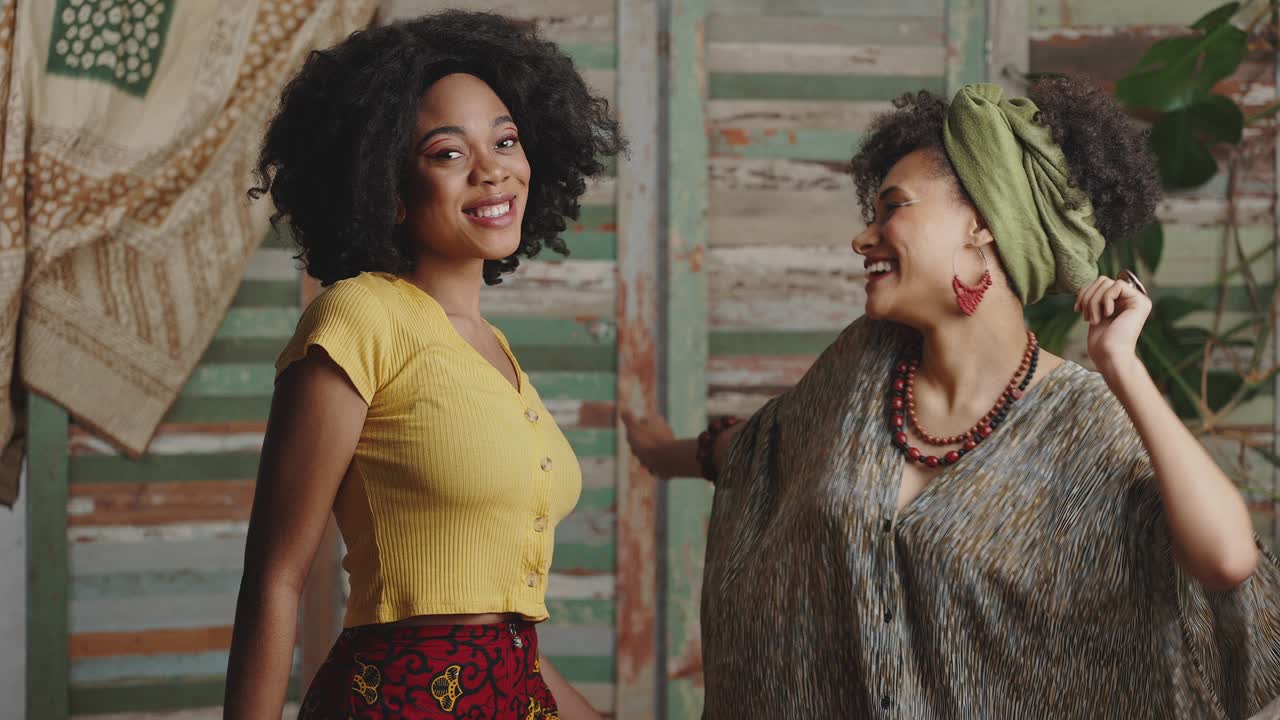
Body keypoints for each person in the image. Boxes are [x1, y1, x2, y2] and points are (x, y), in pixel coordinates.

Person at [623, 79, 1280, 718]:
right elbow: (772, 446)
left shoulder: (1084, 422)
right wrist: (664, 452)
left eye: (893, 207)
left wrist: (1121, 366)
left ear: (981, 223)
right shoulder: (863, 367)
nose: (864, 237)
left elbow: (1225, 559)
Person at [224, 11, 624, 720]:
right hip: (398, 701)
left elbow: (500, 625)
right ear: (390, 189)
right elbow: (276, 578)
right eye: (448, 152)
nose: (493, 167)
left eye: (505, 140)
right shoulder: (359, 317)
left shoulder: (496, 352)